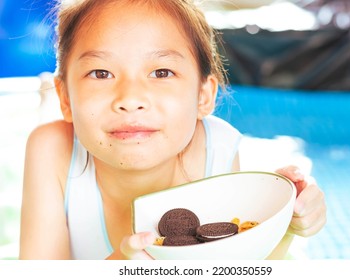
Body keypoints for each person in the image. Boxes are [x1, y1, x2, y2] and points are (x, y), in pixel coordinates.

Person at [19, 0, 326, 260]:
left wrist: (284, 227)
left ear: (202, 96)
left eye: (161, 72)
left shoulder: (215, 149)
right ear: (65, 98)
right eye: (101, 73)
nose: (131, 99)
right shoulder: (53, 151)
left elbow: (234, 268)